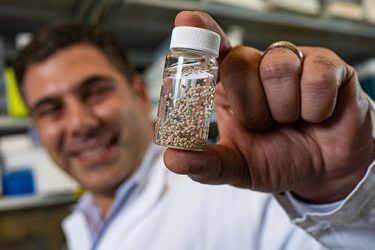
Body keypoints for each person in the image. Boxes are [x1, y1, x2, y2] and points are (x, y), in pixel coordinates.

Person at [14, 11, 374, 250]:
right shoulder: (81, 221)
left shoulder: (247, 193)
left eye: (95, 92)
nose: (79, 123)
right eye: (51, 110)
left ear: (141, 94)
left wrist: (341, 194)